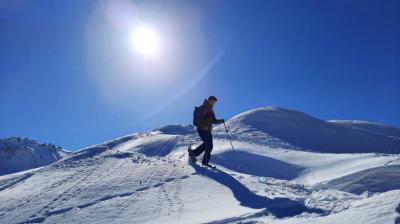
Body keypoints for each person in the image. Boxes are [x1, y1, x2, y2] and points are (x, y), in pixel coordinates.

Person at [188, 96, 224, 167]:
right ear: (209, 100)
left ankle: (204, 161)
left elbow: (213, 120)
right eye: (212, 102)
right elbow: (197, 119)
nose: (213, 104)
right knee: (208, 143)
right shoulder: (203, 108)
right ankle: (194, 153)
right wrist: (202, 126)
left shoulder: (211, 111)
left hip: (208, 130)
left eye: (214, 103)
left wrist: (220, 121)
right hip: (201, 129)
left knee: (210, 146)